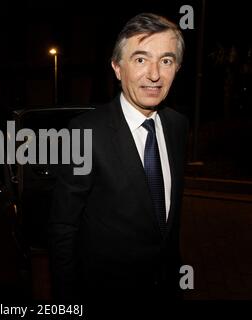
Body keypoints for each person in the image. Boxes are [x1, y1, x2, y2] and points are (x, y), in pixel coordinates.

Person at [48, 13, 189, 300]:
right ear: (117, 68)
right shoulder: (83, 133)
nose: (154, 74)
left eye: (166, 60)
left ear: (177, 68)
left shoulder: (178, 126)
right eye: (140, 59)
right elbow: (63, 227)